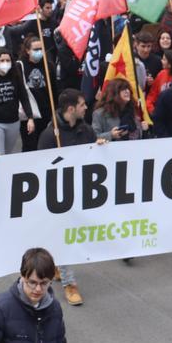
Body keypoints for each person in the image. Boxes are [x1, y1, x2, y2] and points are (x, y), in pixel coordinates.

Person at [35, 88, 106, 306]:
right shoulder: (50, 135)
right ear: (71, 108)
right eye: (83, 104)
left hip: (80, 191)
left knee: (63, 235)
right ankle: (69, 283)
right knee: (65, 234)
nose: (87, 107)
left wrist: (100, 146)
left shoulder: (85, 130)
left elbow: (92, 152)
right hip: (57, 195)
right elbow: (40, 166)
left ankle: (54, 263)